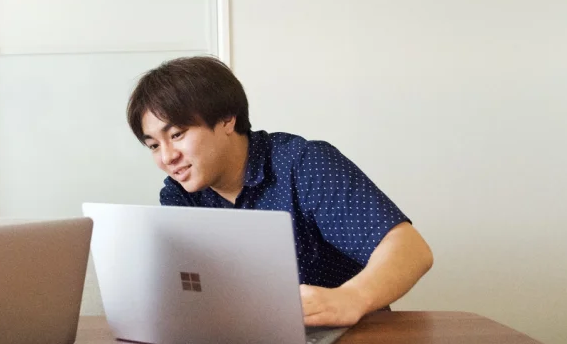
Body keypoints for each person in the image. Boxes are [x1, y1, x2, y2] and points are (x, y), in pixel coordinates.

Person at [126, 56, 432, 327]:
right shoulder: (180, 196)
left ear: (226, 119)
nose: (167, 158)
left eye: (176, 135)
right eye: (153, 145)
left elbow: (411, 250)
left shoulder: (303, 164)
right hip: (249, 340)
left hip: (347, 340)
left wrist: (351, 297)